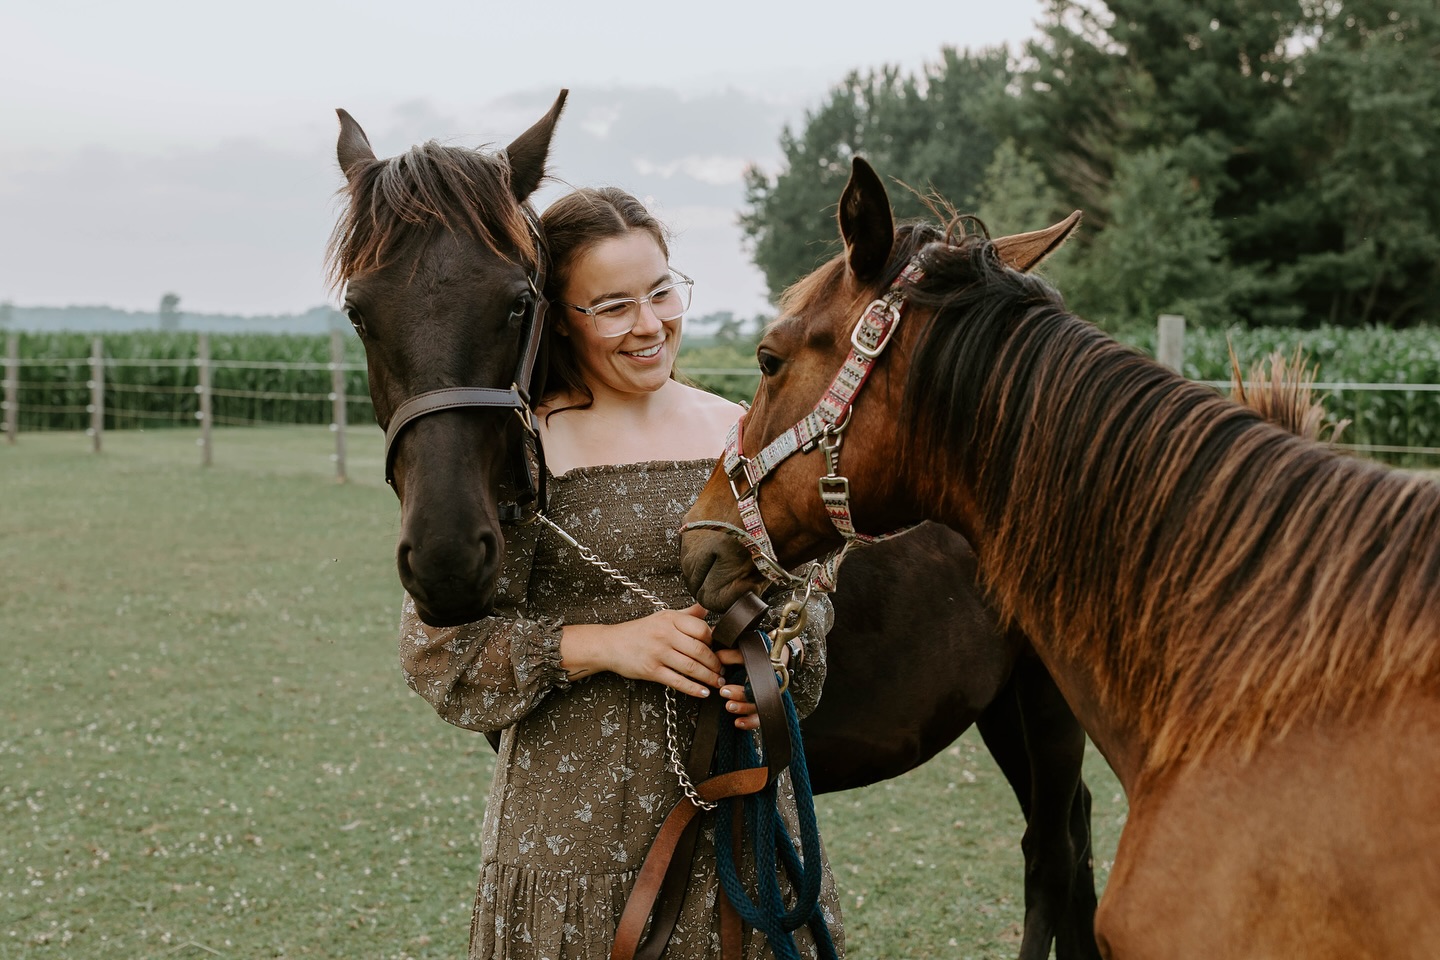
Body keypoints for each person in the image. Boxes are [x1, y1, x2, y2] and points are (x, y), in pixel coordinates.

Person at [397, 186, 844, 960]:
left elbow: (808, 606)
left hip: (742, 829)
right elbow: (439, 652)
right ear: (557, 319)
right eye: (611, 306)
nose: (650, 325)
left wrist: (769, 670)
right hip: (569, 846)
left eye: (661, 291)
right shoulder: (519, 453)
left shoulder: (739, 432)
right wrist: (605, 644)